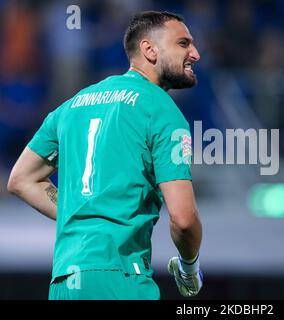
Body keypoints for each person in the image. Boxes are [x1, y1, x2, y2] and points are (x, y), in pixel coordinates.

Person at [7, 11, 203, 300]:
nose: (195, 54)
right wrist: (189, 268)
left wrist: (82, 215)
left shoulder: (71, 105)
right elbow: (183, 219)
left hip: (64, 280)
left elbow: (21, 179)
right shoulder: (161, 110)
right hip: (122, 278)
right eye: (183, 43)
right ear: (149, 50)